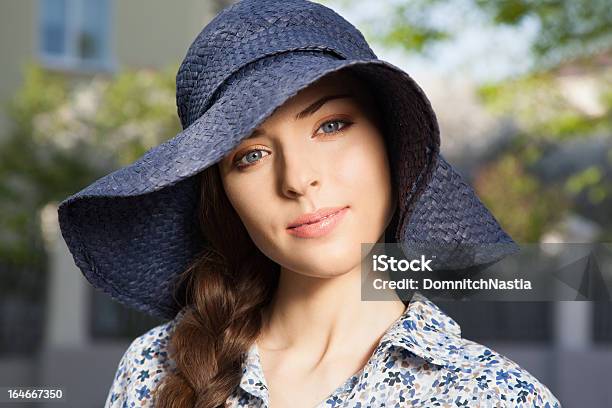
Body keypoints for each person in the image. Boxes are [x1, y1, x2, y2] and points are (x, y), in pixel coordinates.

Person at [57, 0, 562, 407]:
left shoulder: (491, 395)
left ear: (389, 143)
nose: (298, 180)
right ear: (224, 195)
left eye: (331, 126)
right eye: (250, 155)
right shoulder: (154, 368)